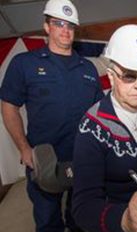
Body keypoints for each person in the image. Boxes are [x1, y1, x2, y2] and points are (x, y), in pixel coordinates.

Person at [0, 0, 103, 231]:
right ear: (47, 27)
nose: (65, 30)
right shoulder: (25, 63)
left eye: (70, 25)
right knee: (48, 221)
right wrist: (24, 148)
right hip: (44, 159)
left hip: (83, 158)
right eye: (58, 23)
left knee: (81, 218)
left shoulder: (87, 68)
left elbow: (99, 113)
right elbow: (9, 106)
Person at [72, 24, 137, 232]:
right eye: (129, 76)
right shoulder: (92, 127)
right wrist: (125, 219)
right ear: (110, 76)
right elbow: (83, 208)